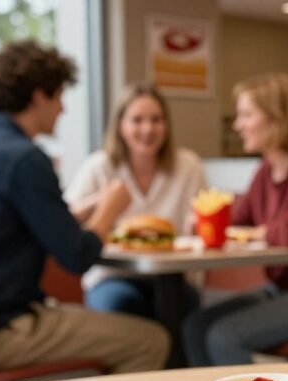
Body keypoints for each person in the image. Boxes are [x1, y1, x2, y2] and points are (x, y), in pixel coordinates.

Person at [0, 41, 169, 374]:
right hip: (2, 333)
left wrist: (92, 205)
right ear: (39, 96)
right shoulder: (25, 159)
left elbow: (28, 226)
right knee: (152, 340)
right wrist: (110, 210)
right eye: (59, 97)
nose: (63, 109)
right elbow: (77, 257)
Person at [182, 73, 288, 366]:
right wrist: (209, 223)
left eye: (247, 114)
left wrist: (254, 232)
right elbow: (238, 224)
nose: (238, 125)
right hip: (281, 290)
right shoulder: (265, 170)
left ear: (278, 117)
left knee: (224, 337)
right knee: (195, 326)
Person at [65, 83, 204, 319]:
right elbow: (66, 217)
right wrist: (102, 201)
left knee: (182, 304)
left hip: (170, 276)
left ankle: (177, 358)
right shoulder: (99, 166)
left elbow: (201, 223)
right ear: (120, 126)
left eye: (156, 120)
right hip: (112, 276)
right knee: (121, 303)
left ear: (167, 125)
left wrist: (198, 229)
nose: (148, 129)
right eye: (137, 120)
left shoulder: (188, 166)